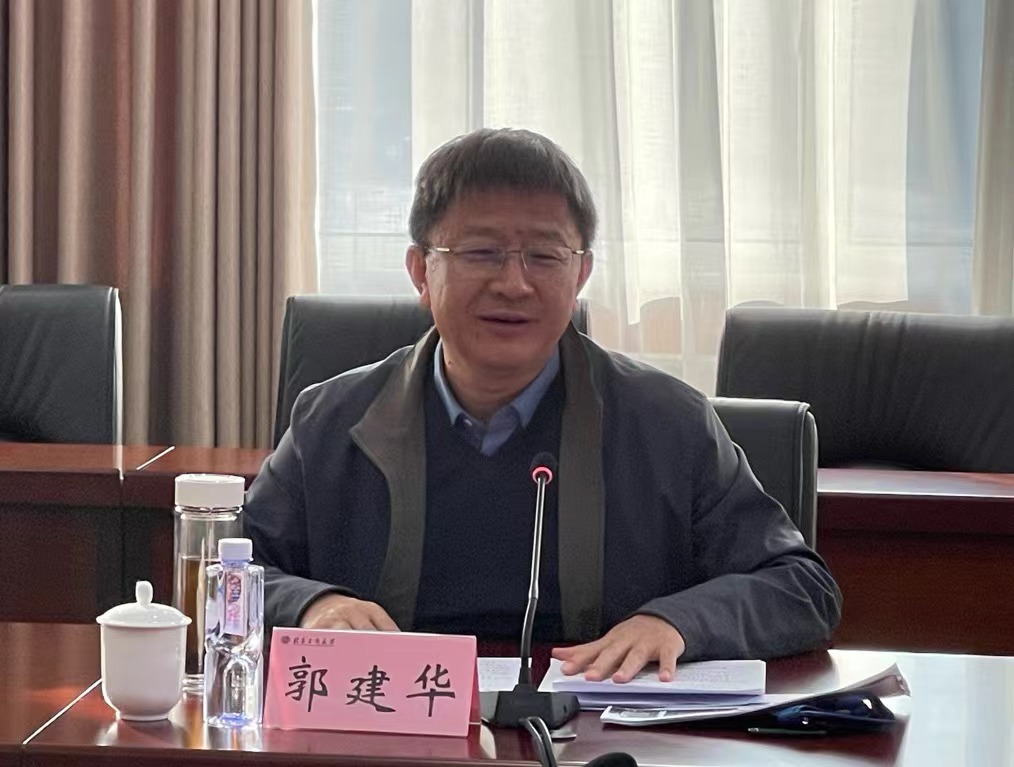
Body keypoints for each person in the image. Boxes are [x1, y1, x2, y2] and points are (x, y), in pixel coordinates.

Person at [243, 128, 842, 683]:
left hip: (593, 731)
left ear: (580, 275)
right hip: (393, 727)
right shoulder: (332, 421)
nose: (514, 283)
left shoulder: (667, 424)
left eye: (545, 256)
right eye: (481, 252)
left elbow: (800, 588)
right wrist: (312, 605)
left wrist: (677, 622)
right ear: (421, 271)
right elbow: (228, 574)